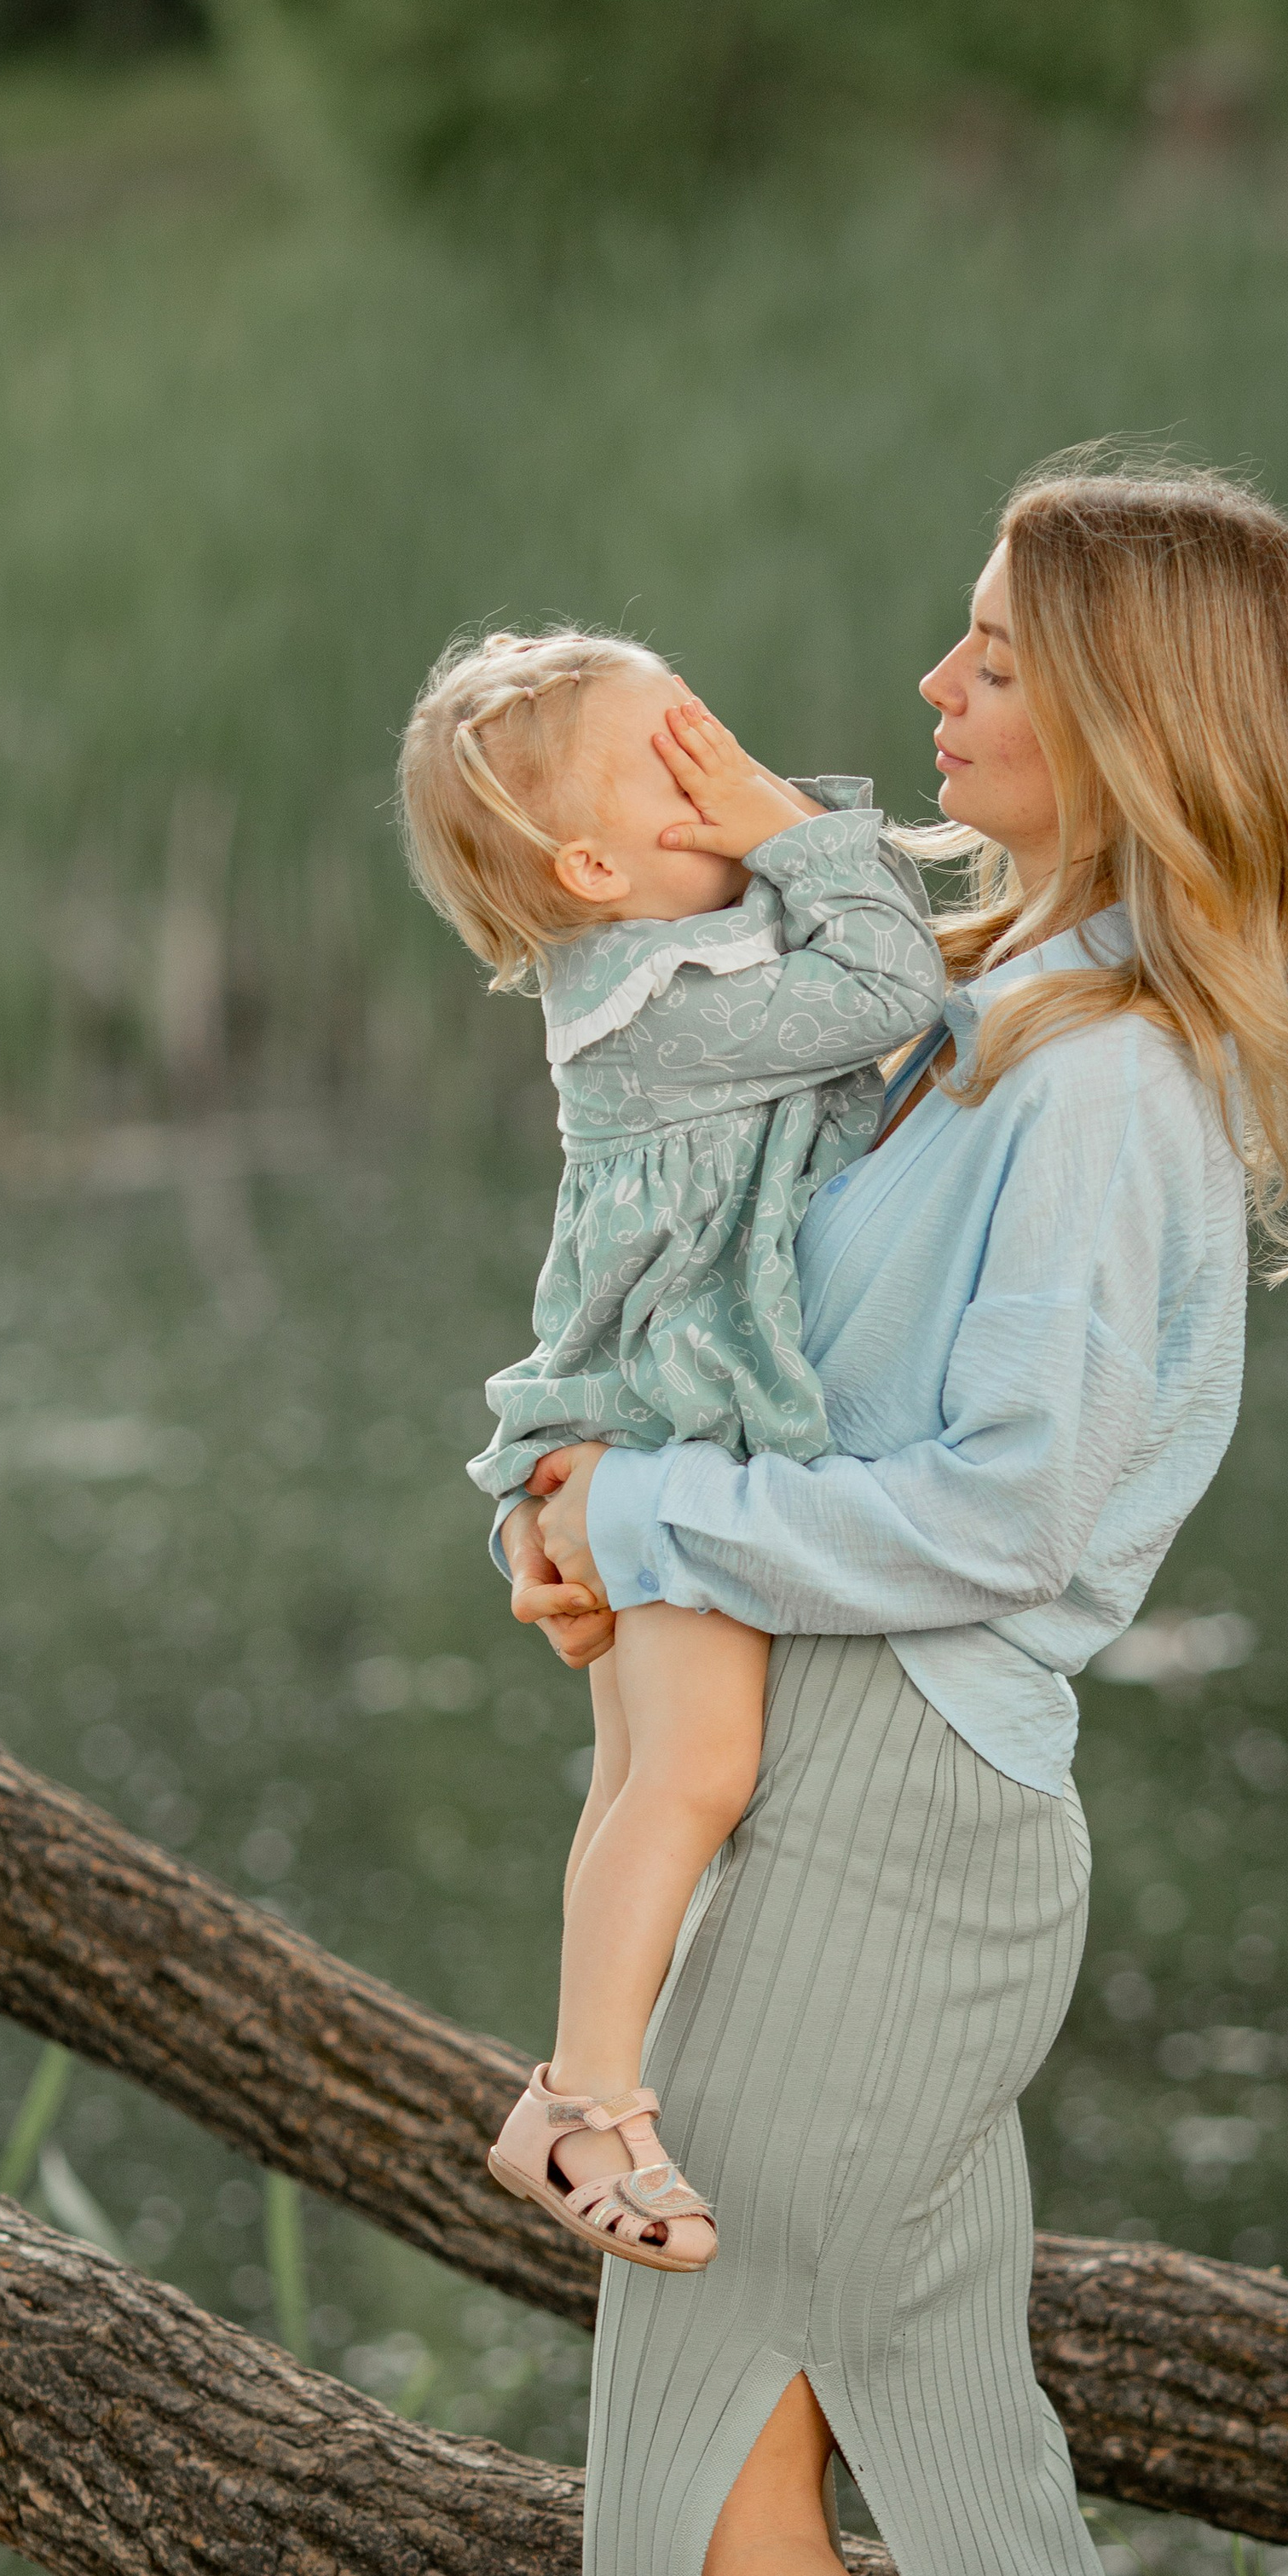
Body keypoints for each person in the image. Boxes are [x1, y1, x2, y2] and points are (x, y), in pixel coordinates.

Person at [502, 460, 1288, 2576]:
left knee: (703, 2540)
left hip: (901, 1835)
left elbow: (1014, 1518)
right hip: (825, 1806)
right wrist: (590, 1522)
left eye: (996, 655)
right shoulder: (978, 1012)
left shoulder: (1104, 1083)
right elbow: (741, 1350)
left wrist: (655, 1521)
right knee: (944, 2508)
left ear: (1132, 719)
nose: (935, 683)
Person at [399, 629, 946, 2270]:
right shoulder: (655, 1006)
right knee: (694, 1775)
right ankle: (589, 2103)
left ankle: (580, 2080)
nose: (728, 769)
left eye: (719, 731)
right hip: (668, 1436)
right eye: (681, 756)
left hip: (650, 1421)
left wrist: (775, 829)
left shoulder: (688, 955)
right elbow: (895, 987)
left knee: (641, 1778)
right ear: (593, 869)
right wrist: (799, 830)